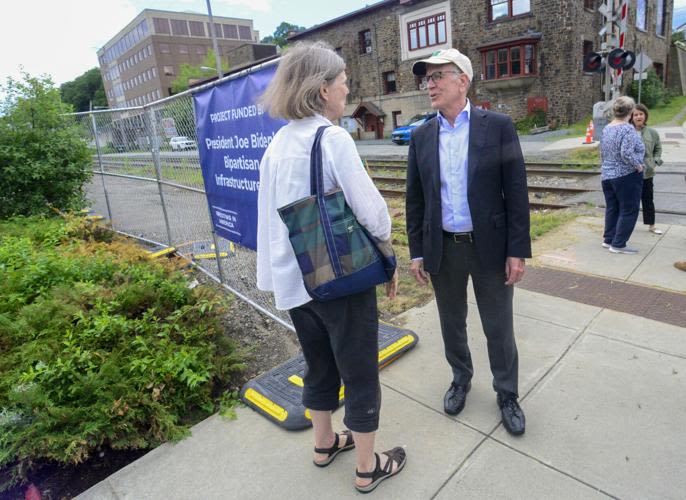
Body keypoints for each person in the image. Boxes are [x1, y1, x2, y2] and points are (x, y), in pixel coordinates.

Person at [256, 41, 405, 494]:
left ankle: (324, 444)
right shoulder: (331, 139)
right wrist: (388, 255)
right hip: (338, 279)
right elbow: (371, 210)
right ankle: (367, 467)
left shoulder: (277, 144)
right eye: (343, 83)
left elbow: (267, 220)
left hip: (294, 280)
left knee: (318, 364)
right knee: (359, 370)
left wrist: (272, 280)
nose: (347, 90)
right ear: (323, 90)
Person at [406, 49, 531, 436]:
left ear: (462, 80)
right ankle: (461, 379)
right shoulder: (422, 135)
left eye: (437, 76)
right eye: (427, 78)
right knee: (451, 322)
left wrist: (517, 250)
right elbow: (416, 199)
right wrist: (417, 251)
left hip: (490, 246)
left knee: (498, 325)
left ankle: (507, 393)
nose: (430, 84)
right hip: (444, 247)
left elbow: (516, 190)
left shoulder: (498, 126)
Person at [600, 96, 645, 254]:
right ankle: (618, 244)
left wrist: (606, 168)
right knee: (629, 209)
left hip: (607, 175)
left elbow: (603, 153)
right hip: (626, 175)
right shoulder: (627, 129)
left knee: (613, 207)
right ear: (631, 111)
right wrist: (638, 165)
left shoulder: (607, 128)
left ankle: (609, 239)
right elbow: (626, 153)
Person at [630, 103, 663, 235]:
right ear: (631, 117)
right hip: (630, 173)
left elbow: (658, 148)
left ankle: (652, 226)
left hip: (647, 173)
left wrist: (655, 161)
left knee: (648, 200)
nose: (638, 117)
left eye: (641, 114)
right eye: (635, 114)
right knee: (630, 201)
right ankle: (626, 226)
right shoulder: (627, 131)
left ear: (645, 116)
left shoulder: (652, 133)